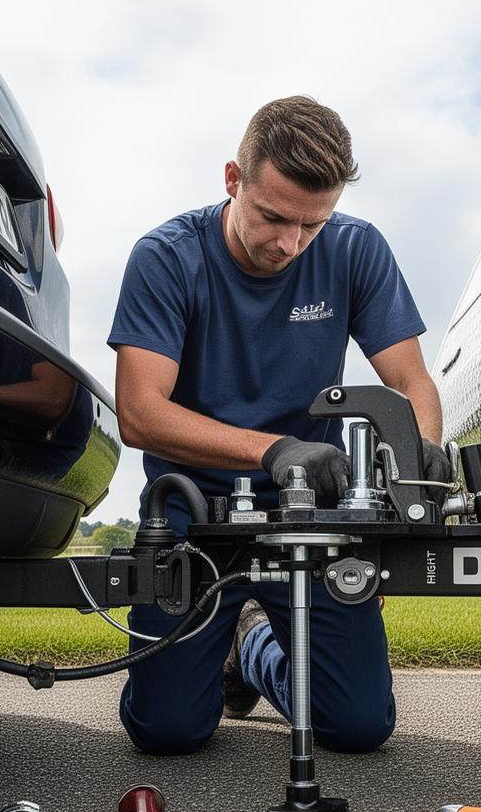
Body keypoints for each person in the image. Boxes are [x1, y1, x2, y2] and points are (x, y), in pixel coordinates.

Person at [107, 95, 450, 756]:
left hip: (312, 512)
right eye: (273, 217)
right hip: (194, 512)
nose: (289, 244)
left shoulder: (357, 250)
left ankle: (253, 647)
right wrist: (275, 451)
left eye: (312, 225)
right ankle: (223, 649)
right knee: (168, 731)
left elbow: (410, 382)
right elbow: (140, 413)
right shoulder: (165, 257)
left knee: (357, 728)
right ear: (233, 180)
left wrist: (421, 448)